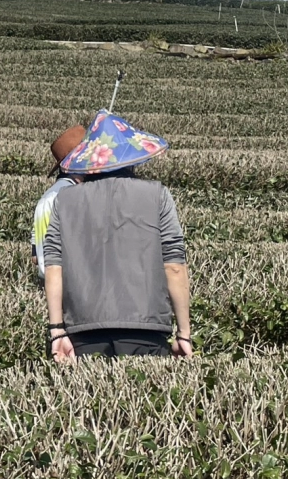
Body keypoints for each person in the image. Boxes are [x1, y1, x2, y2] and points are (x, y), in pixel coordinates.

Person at [43, 109, 193, 360]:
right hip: (147, 328)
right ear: (132, 157)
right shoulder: (158, 195)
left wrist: (57, 331)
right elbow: (175, 266)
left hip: (82, 329)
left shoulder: (64, 200)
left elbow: (54, 267)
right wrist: (184, 334)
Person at [32, 125, 87, 281]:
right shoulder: (73, 196)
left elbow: (35, 256)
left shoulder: (49, 196)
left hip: (49, 284)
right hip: (69, 286)